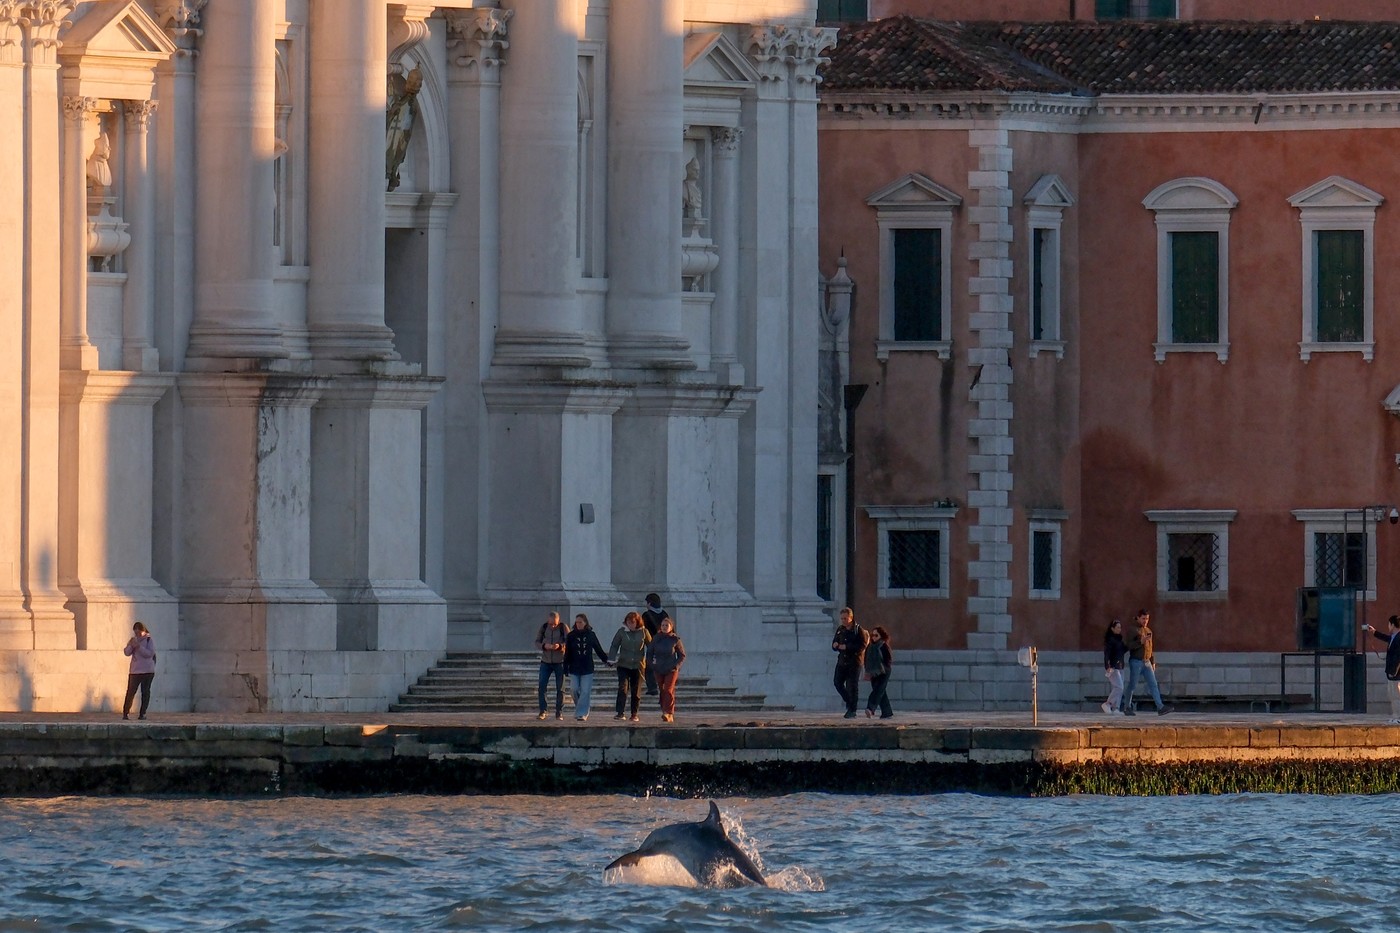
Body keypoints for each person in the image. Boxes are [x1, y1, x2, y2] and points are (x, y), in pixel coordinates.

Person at [1122, 609, 1172, 716]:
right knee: (1133, 685)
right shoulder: (1133, 630)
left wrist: (1152, 661)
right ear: (1138, 618)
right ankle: (1127, 706)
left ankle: (1160, 707)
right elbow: (1129, 646)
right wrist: (1140, 642)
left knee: (1153, 684)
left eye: (1147, 619)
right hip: (1136, 661)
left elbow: (1150, 648)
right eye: (1143, 619)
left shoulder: (1148, 631)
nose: (1145, 621)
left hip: (1147, 662)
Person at [563, 613, 611, 721]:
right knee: (573, 690)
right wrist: (565, 666)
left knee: (585, 691)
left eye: (580, 622)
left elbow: (598, 649)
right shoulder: (571, 636)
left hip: (587, 667)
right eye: (577, 622)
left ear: (585, 623)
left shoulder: (591, 635)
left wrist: (606, 660)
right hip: (574, 667)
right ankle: (581, 707)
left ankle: (582, 713)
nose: (578, 624)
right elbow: (567, 653)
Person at [609, 611, 651, 722]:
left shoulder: (644, 632)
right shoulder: (622, 632)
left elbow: (650, 646)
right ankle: (620, 712)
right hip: (623, 664)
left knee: (636, 690)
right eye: (628, 622)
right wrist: (611, 659)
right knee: (623, 688)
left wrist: (651, 660)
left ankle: (634, 713)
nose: (630, 625)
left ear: (637, 622)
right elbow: (614, 645)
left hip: (638, 665)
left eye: (632, 622)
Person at [646, 616, 686, 722]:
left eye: (666, 625)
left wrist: (676, 666)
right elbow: (649, 652)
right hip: (658, 668)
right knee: (662, 690)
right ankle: (664, 710)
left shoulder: (675, 639)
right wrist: (651, 664)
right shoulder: (656, 638)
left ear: (671, 627)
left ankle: (669, 712)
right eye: (663, 625)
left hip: (671, 669)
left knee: (668, 689)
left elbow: (682, 655)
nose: (664, 627)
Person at [1361, 615, 1400, 723]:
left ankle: (1398, 717)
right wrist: (1374, 632)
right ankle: (1396, 716)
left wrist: (1394, 671)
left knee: (1397, 696)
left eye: (1389, 624)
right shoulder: (1394, 637)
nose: (1388, 626)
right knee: (1393, 695)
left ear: (1392, 624)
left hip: (1396, 674)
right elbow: (1386, 638)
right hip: (1392, 673)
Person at [832, 607, 867, 719]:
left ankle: (852, 710)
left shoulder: (858, 630)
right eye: (842, 619)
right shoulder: (840, 629)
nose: (843, 621)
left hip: (854, 662)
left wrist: (847, 647)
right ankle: (849, 701)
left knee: (852, 685)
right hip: (842, 661)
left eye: (845, 618)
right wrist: (835, 645)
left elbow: (862, 645)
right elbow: (835, 640)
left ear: (851, 618)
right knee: (837, 682)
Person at [534, 611, 568, 720]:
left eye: (555, 624)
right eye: (551, 624)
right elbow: (537, 642)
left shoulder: (563, 628)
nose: (553, 626)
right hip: (546, 661)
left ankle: (559, 712)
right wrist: (544, 646)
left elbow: (570, 642)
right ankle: (543, 711)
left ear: (559, 621)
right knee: (542, 686)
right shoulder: (544, 627)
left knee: (560, 688)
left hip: (560, 662)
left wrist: (560, 646)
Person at [121, 622, 157, 721]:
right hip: (135, 671)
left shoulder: (149, 640)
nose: (137, 633)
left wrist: (138, 647)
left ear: (143, 630)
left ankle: (142, 713)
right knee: (130, 692)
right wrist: (130, 645)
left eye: (139, 630)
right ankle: (125, 712)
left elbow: (149, 654)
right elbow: (127, 653)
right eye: (135, 631)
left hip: (147, 671)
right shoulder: (134, 641)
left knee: (145, 692)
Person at [641, 593, 671, 696]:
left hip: (653, 644)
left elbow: (643, 630)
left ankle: (652, 687)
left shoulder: (646, 615)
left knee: (649, 667)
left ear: (649, 603)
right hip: (665, 644)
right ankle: (663, 688)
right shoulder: (664, 614)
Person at [863, 625, 894, 719]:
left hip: (884, 671)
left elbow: (888, 659)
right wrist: (867, 672)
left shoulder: (883, 645)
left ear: (881, 636)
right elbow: (866, 660)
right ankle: (887, 712)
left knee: (878, 690)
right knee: (881, 691)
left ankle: (870, 708)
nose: (873, 637)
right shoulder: (870, 647)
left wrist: (882, 668)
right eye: (872, 635)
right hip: (873, 672)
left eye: (876, 635)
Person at [1102, 619, 1127, 715]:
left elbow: (1122, 651)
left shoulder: (1119, 639)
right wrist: (1107, 666)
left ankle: (1116, 708)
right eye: (1117, 627)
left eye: (1120, 627)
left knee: (1120, 687)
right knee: (1119, 687)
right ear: (1112, 628)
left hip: (1120, 665)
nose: (1119, 629)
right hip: (1113, 667)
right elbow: (1107, 653)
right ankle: (1108, 704)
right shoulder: (1110, 640)